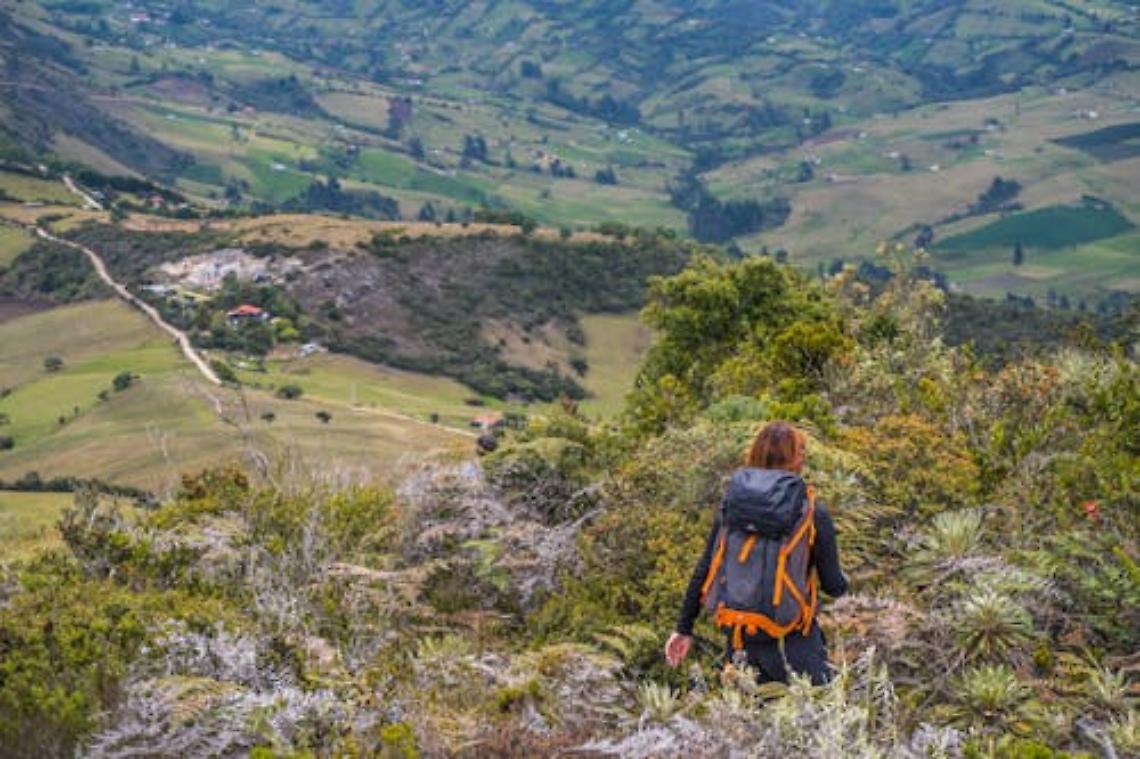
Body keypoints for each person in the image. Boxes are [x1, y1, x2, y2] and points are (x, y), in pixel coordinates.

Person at [664, 421, 848, 684]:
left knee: (747, 722)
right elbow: (833, 585)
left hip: (741, 647)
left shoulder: (732, 506)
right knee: (818, 720)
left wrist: (684, 629)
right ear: (796, 458)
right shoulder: (810, 511)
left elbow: (705, 568)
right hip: (795, 647)